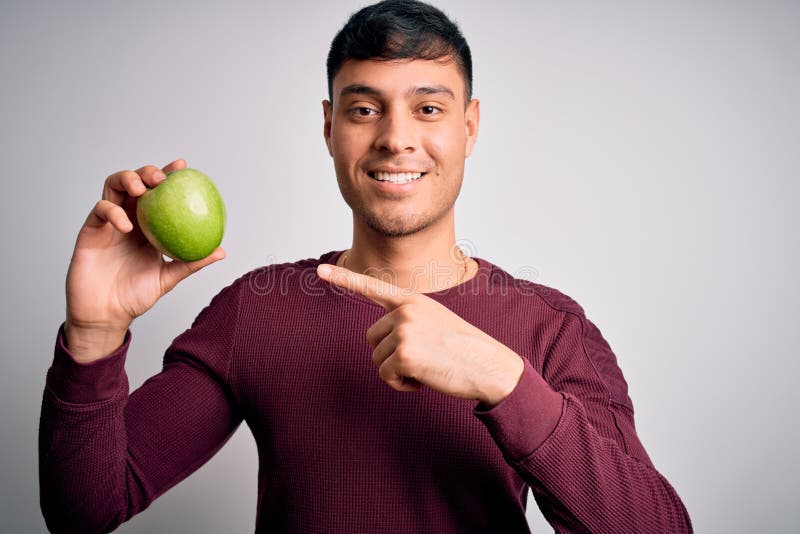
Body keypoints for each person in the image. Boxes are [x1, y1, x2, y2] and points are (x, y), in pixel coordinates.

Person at [38, 1, 693, 532]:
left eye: (428, 108)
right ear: (329, 128)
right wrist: (93, 337)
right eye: (363, 108)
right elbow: (87, 509)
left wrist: (501, 377)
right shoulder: (258, 310)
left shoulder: (550, 327)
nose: (395, 137)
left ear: (470, 126)